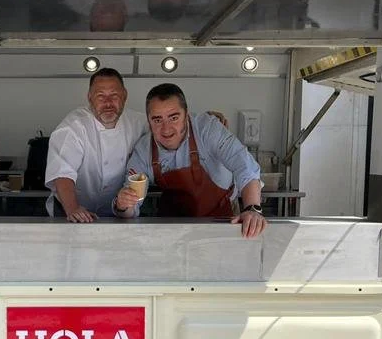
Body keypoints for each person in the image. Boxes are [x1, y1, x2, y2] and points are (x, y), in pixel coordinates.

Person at [114, 83, 267, 239]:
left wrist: (252, 210)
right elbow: (131, 204)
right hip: (172, 226)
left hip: (221, 218)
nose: (166, 129)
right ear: (148, 121)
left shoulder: (208, 129)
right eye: (157, 120)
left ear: (186, 115)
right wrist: (123, 205)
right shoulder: (143, 150)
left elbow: (244, 165)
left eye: (174, 118)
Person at [45, 67, 148, 222]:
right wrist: (73, 208)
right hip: (71, 208)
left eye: (114, 96)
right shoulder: (74, 126)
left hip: (118, 212)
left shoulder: (139, 123)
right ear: (89, 97)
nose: (108, 103)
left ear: (125, 96)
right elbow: (62, 172)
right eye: (100, 96)